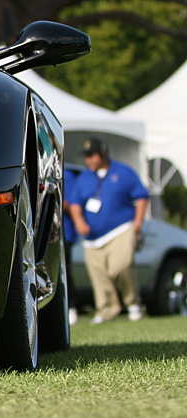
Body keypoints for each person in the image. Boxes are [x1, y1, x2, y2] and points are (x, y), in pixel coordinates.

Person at [67, 137, 149, 324]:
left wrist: (137, 223)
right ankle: (106, 309)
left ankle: (133, 303)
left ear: (103, 154)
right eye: (86, 157)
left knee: (120, 266)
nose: (88, 161)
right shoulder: (85, 177)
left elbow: (141, 196)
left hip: (120, 229)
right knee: (98, 274)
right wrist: (79, 221)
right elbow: (75, 203)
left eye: (92, 156)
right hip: (93, 236)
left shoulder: (123, 172)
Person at [62, 166, 80, 324]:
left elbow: (73, 204)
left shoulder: (66, 174)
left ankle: (71, 307)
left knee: (65, 271)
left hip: (64, 232)